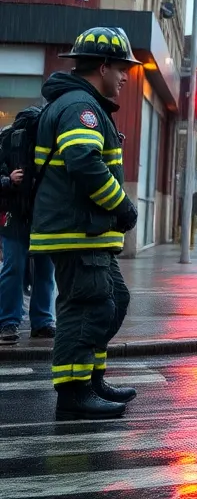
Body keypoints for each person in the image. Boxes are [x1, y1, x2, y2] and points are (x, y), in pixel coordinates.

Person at [29, 26, 140, 420]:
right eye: (122, 68)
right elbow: (83, 162)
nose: (126, 76)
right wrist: (122, 206)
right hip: (76, 231)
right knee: (87, 306)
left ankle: (91, 378)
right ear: (104, 66)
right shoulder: (82, 107)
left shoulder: (83, 104)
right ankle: (73, 393)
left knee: (113, 301)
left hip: (88, 231)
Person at [1, 154, 56, 345]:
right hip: (16, 217)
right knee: (13, 268)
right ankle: (8, 322)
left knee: (45, 270)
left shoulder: (50, 136)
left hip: (43, 217)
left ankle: (42, 322)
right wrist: (8, 181)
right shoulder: (9, 139)